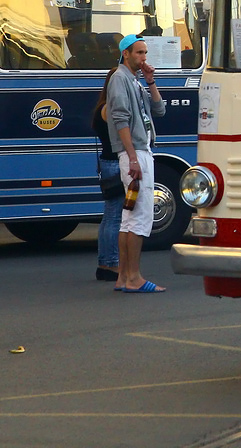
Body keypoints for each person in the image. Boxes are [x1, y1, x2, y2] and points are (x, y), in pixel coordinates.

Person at [107, 34, 167, 293]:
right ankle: (134, 278)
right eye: (139, 53)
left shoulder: (135, 80)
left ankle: (124, 277)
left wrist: (151, 81)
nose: (144, 57)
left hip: (140, 151)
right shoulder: (120, 79)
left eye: (145, 53)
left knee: (129, 218)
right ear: (126, 54)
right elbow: (120, 119)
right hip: (136, 153)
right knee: (141, 216)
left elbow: (160, 110)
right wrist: (132, 157)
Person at [91, 67, 123, 281]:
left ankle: (106, 262)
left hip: (107, 162)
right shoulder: (110, 108)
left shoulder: (101, 106)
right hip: (114, 163)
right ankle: (110, 264)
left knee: (109, 215)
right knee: (115, 216)